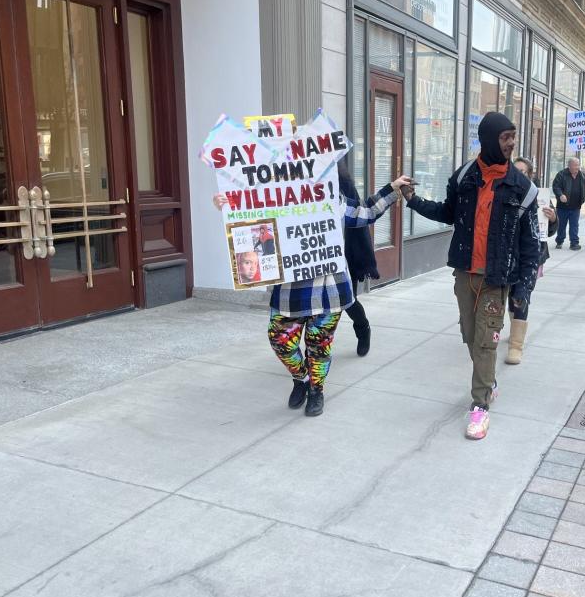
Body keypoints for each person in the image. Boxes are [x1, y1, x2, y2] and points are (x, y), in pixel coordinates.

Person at [214, 173, 409, 417]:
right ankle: (301, 379)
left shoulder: (330, 197)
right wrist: (230, 205)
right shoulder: (271, 199)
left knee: (319, 347)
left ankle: (317, 391)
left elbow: (365, 213)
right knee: (280, 340)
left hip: (329, 289)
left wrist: (392, 189)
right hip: (289, 291)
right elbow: (248, 225)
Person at [398, 112, 539, 440]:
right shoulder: (464, 177)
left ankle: (481, 406)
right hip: (465, 273)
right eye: (506, 137)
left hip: (497, 278)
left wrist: (524, 288)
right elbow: (447, 212)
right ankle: (489, 381)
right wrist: (413, 201)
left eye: (513, 137)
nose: (511, 143)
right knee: (469, 335)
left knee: (486, 342)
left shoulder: (523, 189)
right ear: (490, 139)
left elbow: (530, 244)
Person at [505, 156, 547, 365]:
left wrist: (554, 218)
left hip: (530, 256)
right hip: (508, 256)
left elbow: (549, 229)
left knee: (522, 295)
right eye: (516, 170)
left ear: (530, 175)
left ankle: (516, 346)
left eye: (524, 171)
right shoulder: (505, 193)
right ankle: (514, 330)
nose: (519, 174)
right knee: (511, 298)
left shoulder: (539, 196)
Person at [337, 157, 378, 357]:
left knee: (348, 301)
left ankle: (363, 329)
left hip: (344, 256)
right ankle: (317, 351)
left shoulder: (343, 187)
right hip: (313, 259)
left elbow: (364, 214)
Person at [552, 157, 585, 250]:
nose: (577, 167)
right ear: (569, 166)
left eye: (578, 165)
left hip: (576, 206)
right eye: (575, 165)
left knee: (574, 225)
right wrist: (560, 195)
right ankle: (559, 241)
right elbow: (556, 187)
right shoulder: (561, 174)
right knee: (561, 225)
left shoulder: (582, 176)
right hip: (563, 207)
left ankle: (574, 243)